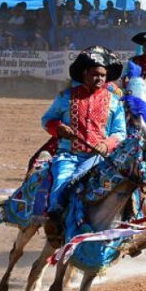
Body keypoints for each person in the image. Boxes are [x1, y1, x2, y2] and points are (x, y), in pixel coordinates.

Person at [40, 47, 126, 224]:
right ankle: (55, 222)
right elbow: (47, 120)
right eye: (96, 74)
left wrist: (106, 145)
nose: (100, 79)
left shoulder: (115, 101)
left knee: (125, 186)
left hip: (99, 158)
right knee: (62, 183)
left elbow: (120, 132)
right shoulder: (65, 97)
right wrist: (59, 128)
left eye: (103, 75)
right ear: (85, 73)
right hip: (69, 156)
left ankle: (129, 219)